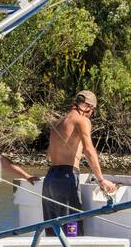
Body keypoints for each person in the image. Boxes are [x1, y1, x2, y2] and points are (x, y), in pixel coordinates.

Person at [43, 90, 118, 236]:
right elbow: (89, 150)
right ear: (88, 107)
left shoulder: (57, 123)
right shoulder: (82, 120)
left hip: (49, 180)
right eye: (93, 110)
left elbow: (48, 155)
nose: (91, 114)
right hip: (66, 179)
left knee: (53, 233)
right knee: (72, 231)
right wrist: (101, 179)